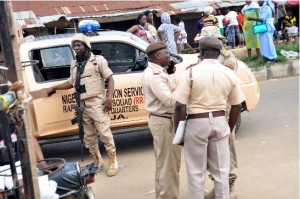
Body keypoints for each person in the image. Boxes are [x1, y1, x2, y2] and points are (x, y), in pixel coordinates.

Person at [173, 36, 245, 199]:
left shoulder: (191, 71)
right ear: (219, 52)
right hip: (220, 122)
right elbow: (237, 105)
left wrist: (179, 132)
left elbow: (179, 105)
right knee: (221, 172)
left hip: (196, 123)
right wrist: (229, 130)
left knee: (196, 173)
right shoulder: (228, 73)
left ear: (202, 51)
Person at [45, 34, 119, 177]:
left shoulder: (98, 61)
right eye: (74, 46)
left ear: (86, 46)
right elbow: (70, 83)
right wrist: (54, 87)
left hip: (97, 103)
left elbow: (110, 79)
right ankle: (97, 162)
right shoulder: (74, 64)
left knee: (105, 134)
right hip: (81, 105)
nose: (76, 48)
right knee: (89, 137)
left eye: (79, 45)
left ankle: (113, 162)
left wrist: (109, 98)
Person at [196, 27, 240, 199]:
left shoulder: (227, 57)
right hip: (206, 107)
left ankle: (229, 186)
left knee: (227, 146)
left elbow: (227, 80)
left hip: (223, 106)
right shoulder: (201, 56)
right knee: (211, 150)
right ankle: (218, 185)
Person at [142, 42, 181, 199]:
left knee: (164, 163)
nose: (169, 56)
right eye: (167, 54)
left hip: (162, 120)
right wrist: (185, 88)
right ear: (157, 56)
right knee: (169, 166)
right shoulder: (155, 76)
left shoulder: (158, 71)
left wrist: (170, 73)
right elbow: (170, 101)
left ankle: (163, 195)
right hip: (164, 121)